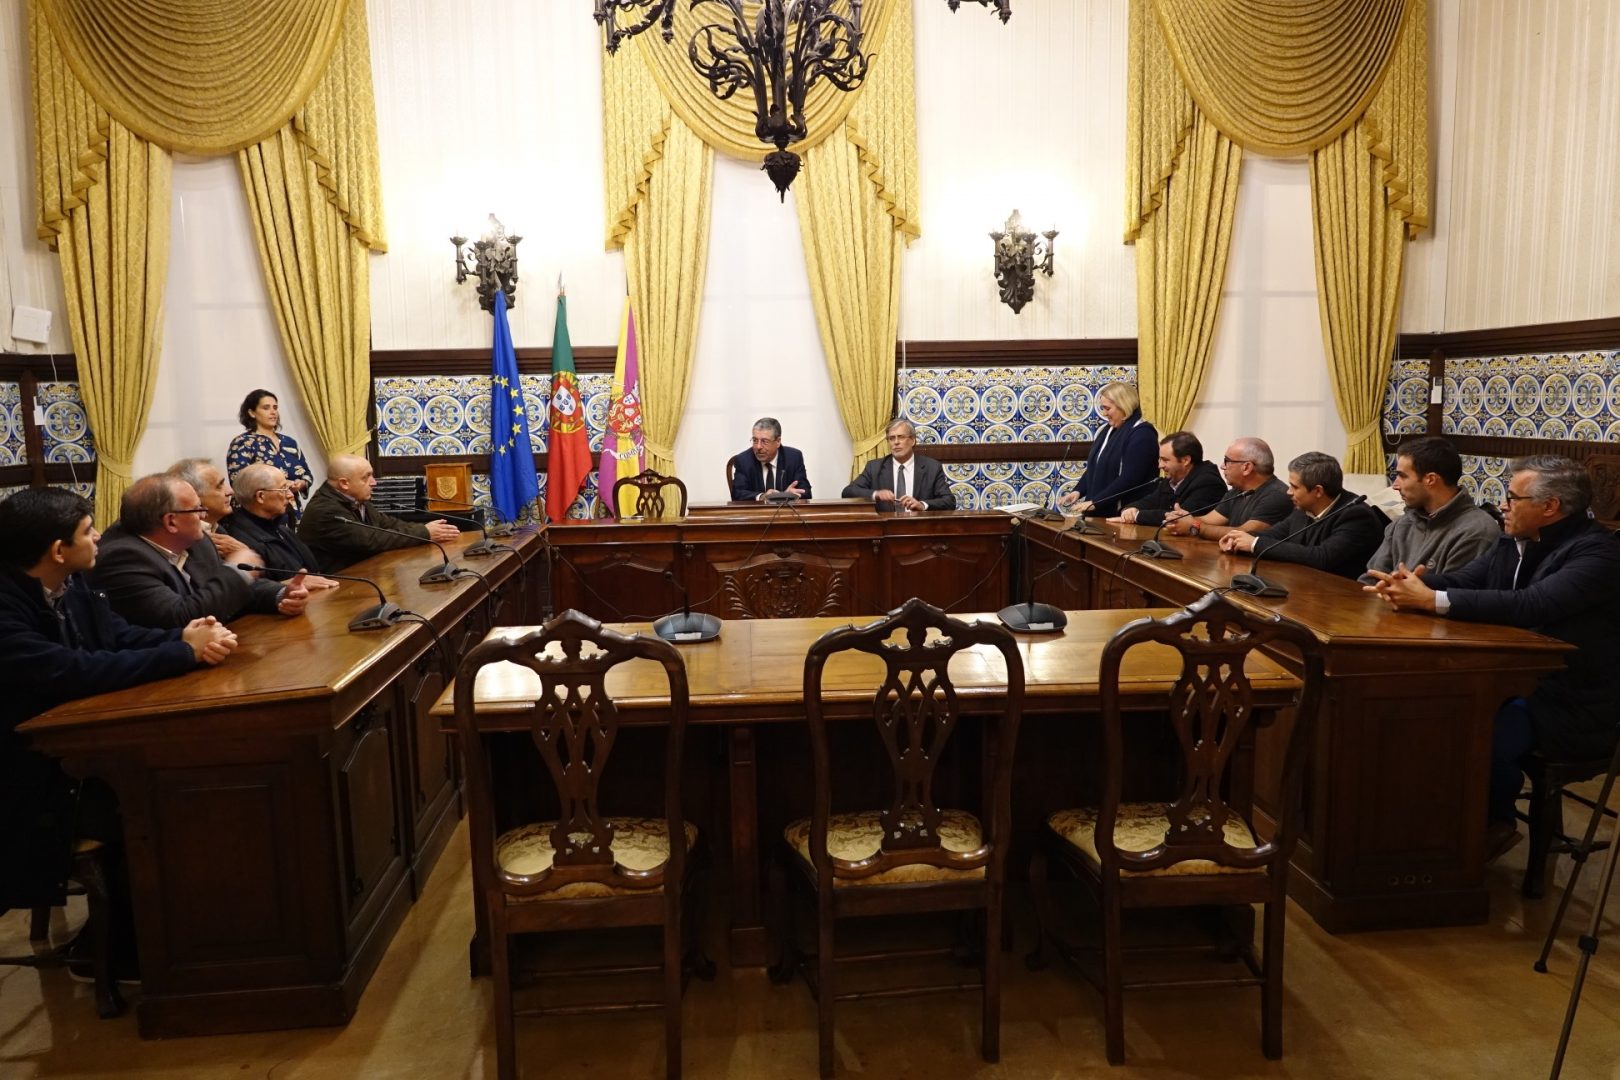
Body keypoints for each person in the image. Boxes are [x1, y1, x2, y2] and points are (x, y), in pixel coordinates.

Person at [0, 487, 237, 978]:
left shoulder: (73, 583)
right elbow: (70, 671)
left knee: (182, 780)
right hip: (28, 778)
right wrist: (182, 653)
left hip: (81, 750)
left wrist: (189, 638)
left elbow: (117, 637)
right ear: (58, 550)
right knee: (155, 805)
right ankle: (122, 949)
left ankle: (190, 934)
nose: (99, 540)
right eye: (89, 532)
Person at [1364, 456, 1620, 860]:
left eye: (1513, 497)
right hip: (1511, 679)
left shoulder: (1598, 553)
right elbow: (1467, 581)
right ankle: (1418, 830)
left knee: (1472, 733)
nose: (1503, 504)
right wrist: (1412, 585)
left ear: (1550, 506)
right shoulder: (1513, 540)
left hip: (1570, 700)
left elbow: (1533, 605)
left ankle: (1491, 825)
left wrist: (1432, 600)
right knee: (1430, 715)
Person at [91, 474, 309, 628]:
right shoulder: (122, 558)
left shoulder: (197, 541)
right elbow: (180, 618)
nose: (204, 516)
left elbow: (225, 592)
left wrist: (281, 595)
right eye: (197, 509)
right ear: (171, 521)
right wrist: (236, 572)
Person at [1218, 451, 1387, 578]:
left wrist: (1254, 544)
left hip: (1343, 600)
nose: (1288, 492)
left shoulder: (1356, 515)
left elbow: (1322, 558)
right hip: (1304, 587)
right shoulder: (1302, 508)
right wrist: (1238, 539)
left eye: (1294, 487)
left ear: (1318, 491)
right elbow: (1274, 534)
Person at [1359, 436, 1501, 584]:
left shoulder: (1477, 531)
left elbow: (1449, 593)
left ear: (1430, 479)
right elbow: (1370, 580)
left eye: (1402, 476)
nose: (1395, 485)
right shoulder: (1403, 523)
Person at [298, 454, 462, 571]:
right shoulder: (325, 511)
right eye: (366, 477)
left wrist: (427, 530)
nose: (374, 482)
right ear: (344, 483)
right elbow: (372, 539)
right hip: (337, 586)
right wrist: (424, 533)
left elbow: (388, 524)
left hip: (363, 575)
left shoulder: (356, 499)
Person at [219, 463, 340, 587]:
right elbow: (257, 589)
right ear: (261, 496)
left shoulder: (281, 529)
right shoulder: (241, 540)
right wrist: (286, 586)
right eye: (283, 489)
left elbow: (313, 570)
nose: (290, 495)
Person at [1159, 436, 1292, 541]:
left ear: (1247, 467)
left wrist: (1194, 527)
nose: (1222, 466)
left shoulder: (1277, 496)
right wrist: (1181, 519)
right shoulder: (1237, 491)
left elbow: (1245, 533)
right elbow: (1208, 520)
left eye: (1227, 461)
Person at [1058, 381, 1158, 516]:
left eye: (1107, 408)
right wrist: (1079, 491)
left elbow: (1130, 479)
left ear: (1124, 406)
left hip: (1124, 513)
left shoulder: (1142, 434)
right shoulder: (1110, 430)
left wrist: (1096, 502)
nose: (1104, 413)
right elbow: (1097, 465)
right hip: (1103, 512)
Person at [226, 389, 316, 523]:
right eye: (266, 408)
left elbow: (307, 475)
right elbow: (238, 482)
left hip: (291, 511)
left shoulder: (289, 442)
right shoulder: (243, 442)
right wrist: (280, 485)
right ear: (252, 413)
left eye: (275, 407)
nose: (273, 412)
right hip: (258, 516)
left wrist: (301, 484)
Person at [1107, 431, 1226, 527]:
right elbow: (1150, 502)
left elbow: (1178, 517)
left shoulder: (1208, 482)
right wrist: (1130, 509)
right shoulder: (1170, 479)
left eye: (1165, 460)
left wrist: (1137, 516)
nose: (1160, 465)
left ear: (1185, 460)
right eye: (1160, 459)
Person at [167, 457, 259, 573]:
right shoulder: (186, 540)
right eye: (219, 486)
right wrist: (244, 557)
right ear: (193, 495)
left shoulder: (218, 529)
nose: (230, 492)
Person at [841, 419, 956, 511]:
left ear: (912, 440)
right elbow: (847, 492)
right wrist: (876, 494)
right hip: (885, 529)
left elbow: (949, 501)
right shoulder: (874, 467)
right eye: (891, 438)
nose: (896, 442)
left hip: (919, 527)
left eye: (901, 437)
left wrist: (922, 505)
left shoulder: (932, 467)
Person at [729, 417, 812, 502]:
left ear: (778, 441)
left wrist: (788, 496)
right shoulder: (743, 460)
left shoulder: (793, 458)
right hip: (757, 510)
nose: (758, 447)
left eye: (764, 441)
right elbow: (737, 494)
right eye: (755, 440)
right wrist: (762, 497)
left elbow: (806, 492)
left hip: (786, 510)